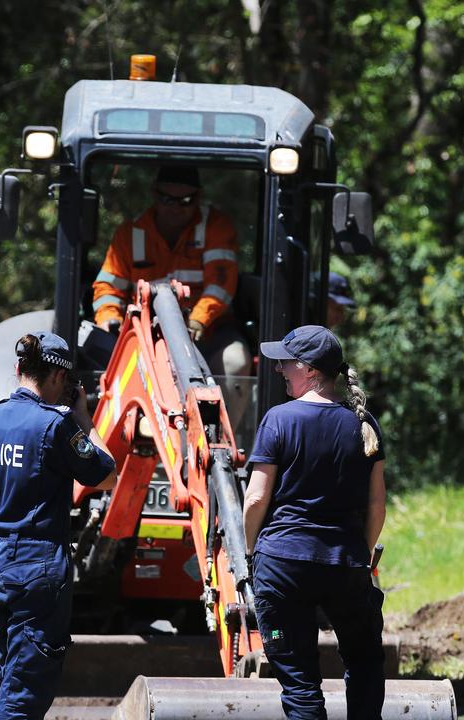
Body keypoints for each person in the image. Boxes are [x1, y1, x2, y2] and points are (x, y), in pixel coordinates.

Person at [0, 332, 117, 719]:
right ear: (57, 377)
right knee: (27, 691)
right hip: (38, 568)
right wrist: (85, 418)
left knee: (13, 671)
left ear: (19, 368)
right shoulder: (58, 425)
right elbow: (105, 475)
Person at [242, 325, 387, 720]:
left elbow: (256, 497)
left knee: (301, 683)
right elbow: (377, 507)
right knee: (365, 663)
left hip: (283, 563)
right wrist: (364, 554)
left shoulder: (279, 420)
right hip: (345, 563)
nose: (279, 370)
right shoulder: (363, 424)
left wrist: (253, 551)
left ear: (307, 370)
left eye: (285, 363)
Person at [91, 165, 251, 378]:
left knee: (235, 362)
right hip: (143, 335)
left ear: (198, 197)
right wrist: (110, 320)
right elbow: (109, 288)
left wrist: (197, 321)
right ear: (155, 194)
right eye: (168, 199)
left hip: (208, 333)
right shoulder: (130, 234)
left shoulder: (216, 227)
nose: (176, 207)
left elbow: (221, 284)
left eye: (185, 201)